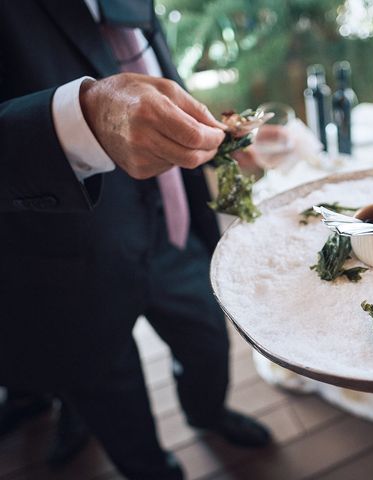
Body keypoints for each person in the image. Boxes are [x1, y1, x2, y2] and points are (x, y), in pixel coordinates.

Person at [0, 1, 270, 479]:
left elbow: (148, 67)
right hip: (67, 261)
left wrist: (213, 138)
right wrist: (74, 120)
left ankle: (208, 415)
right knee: (106, 384)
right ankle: (148, 467)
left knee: (208, 341)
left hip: (173, 229)